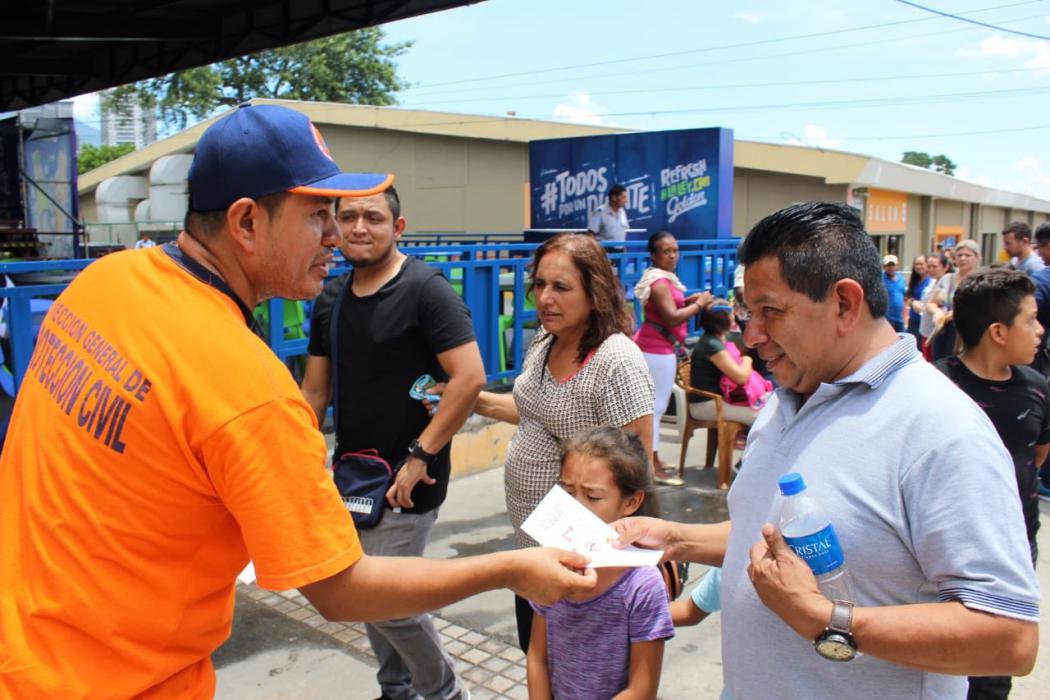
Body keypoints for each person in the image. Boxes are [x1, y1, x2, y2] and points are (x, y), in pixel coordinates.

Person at [0, 103, 596, 698]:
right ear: (245, 222)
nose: (338, 235)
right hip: (117, 681)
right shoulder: (249, 387)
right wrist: (509, 569)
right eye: (318, 216)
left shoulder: (106, 281)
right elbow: (339, 590)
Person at [613, 202, 1039, 700]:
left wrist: (826, 620)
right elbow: (775, 532)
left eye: (771, 312)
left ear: (843, 303)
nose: (751, 336)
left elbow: (1009, 639)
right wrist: (676, 538)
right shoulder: (791, 395)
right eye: (749, 313)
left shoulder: (943, 431)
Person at [299, 186, 485, 700]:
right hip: (354, 474)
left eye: (374, 218)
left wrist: (420, 455)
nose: (360, 227)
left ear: (397, 228)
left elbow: (468, 378)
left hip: (410, 476)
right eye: (350, 217)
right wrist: (299, 459)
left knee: (389, 604)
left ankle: (445, 693)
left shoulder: (427, 290)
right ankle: (395, 688)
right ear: (335, 228)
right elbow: (315, 389)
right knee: (369, 593)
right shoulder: (332, 299)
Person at [465, 232, 655, 651]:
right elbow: (532, 411)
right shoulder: (545, 341)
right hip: (533, 551)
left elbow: (637, 468)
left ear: (595, 293)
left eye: (561, 287)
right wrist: (469, 400)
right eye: (540, 284)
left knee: (578, 675)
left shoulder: (615, 360)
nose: (545, 298)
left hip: (584, 567)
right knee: (538, 664)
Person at [934, 268, 1048, 700]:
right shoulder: (935, 386)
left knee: (996, 666)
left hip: (1017, 545)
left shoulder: (1037, 389)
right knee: (944, 659)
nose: (1040, 330)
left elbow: (1035, 455)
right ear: (998, 331)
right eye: (1032, 320)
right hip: (946, 550)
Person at [527, 426, 673, 700]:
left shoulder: (642, 585)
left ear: (631, 502)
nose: (575, 508)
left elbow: (641, 690)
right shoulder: (552, 562)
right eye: (568, 491)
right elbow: (537, 657)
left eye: (593, 497)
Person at [632, 231, 711, 480]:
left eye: (675, 250)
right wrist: (699, 305)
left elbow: (671, 306)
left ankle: (653, 458)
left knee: (655, 408)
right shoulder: (658, 282)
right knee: (654, 409)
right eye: (667, 251)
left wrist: (689, 300)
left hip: (659, 348)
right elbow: (671, 316)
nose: (673, 255)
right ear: (654, 255)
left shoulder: (664, 280)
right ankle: (651, 466)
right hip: (655, 350)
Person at [688, 301, 768, 426]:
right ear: (724, 319)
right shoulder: (711, 344)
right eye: (731, 313)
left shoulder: (716, 339)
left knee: (767, 408)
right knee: (762, 417)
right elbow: (741, 377)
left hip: (717, 401)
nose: (734, 315)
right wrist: (748, 360)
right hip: (706, 405)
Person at [928, 238, 982, 360]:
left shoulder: (981, 280)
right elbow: (931, 303)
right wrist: (937, 312)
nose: (963, 258)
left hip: (966, 334)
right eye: (959, 255)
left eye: (968, 255)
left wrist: (955, 314)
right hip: (943, 332)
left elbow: (983, 308)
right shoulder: (947, 278)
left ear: (977, 257)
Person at [910, 252, 948, 358]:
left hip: (935, 334)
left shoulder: (946, 283)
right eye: (929, 266)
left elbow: (940, 305)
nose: (931, 269)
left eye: (934, 266)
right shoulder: (932, 282)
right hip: (925, 330)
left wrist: (923, 306)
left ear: (945, 267)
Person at [903, 254, 930, 343]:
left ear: (927, 265)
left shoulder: (931, 281)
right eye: (916, 264)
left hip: (924, 322)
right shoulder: (914, 281)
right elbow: (908, 296)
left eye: (921, 264)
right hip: (913, 320)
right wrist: (912, 302)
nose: (919, 267)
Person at [881, 254, 907, 332]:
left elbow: (904, 296)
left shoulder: (901, 278)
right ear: (884, 267)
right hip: (887, 318)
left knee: (901, 341)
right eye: (888, 265)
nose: (891, 268)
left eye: (893, 265)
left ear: (897, 266)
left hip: (900, 318)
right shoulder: (880, 279)